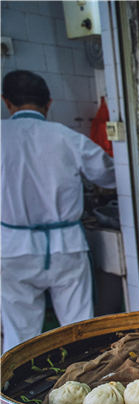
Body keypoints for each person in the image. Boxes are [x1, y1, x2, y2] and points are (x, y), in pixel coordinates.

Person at [1, 70, 115, 352]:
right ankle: (82, 384)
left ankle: (18, 391)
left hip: (12, 248)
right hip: (66, 246)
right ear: (48, 103)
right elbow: (109, 175)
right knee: (78, 329)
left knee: (20, 334)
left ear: (6, 102)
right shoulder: (66, 137)